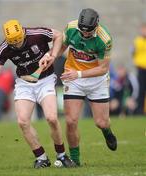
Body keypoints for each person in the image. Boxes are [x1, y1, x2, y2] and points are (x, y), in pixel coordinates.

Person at [0, 19, 75, 168]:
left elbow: (59, 36)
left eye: (19, 41)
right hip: (24, 83)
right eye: (13, 43)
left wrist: (52, 55)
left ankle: (62, 155)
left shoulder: (37, 34)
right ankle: (41, 158)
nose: (17, 45)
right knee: (23, 121)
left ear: (22, 32)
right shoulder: (4, 48)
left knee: (52, 118)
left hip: (45, 80)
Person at [59, 8, 117, 166]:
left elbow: (103, 68)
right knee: (70, 121)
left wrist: (78, 74)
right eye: (82, 31)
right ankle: (75, 161)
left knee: (101, 122)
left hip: (96, 79)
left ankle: (107, 131)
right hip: (73, 78)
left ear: (96, 26)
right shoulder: (71, 28)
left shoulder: (104, 39)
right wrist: (50, 57)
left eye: (89, 32)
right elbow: (61, 47)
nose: (85, 34)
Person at [132, 23, 146, 115]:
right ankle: (140, 110)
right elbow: (133, 52)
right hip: (141, 68)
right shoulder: (137, 41)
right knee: (141, 90)